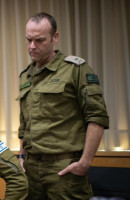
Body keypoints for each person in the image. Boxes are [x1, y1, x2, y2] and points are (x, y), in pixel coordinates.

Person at [17, 12, 109, 199]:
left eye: (39, 40)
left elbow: (97, 116)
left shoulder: (76, 69)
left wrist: (85, 162)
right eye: (28, 40)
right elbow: (25, 123)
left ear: (55, 37)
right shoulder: (25, 75)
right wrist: (21, 157)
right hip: (32, 169)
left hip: (64, 168)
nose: (32, 46)